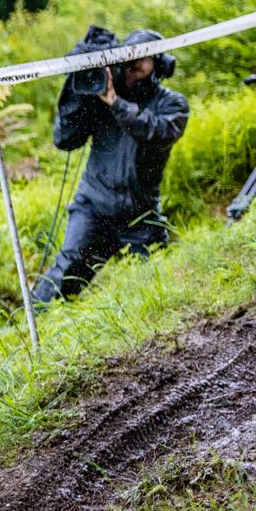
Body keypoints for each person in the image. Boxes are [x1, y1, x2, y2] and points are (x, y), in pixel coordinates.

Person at [32, 28, 190, 304]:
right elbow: (64, 140)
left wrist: (116, 104)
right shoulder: (101, 97)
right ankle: (27, 327)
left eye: (141, 60)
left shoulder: (172, 103)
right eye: (126, 59)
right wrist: (77, 88)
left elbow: (156, 132)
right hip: (94, 207)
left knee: (160, 284)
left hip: (141, 213)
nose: (131, 66)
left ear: (160, 65)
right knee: (64, 276)